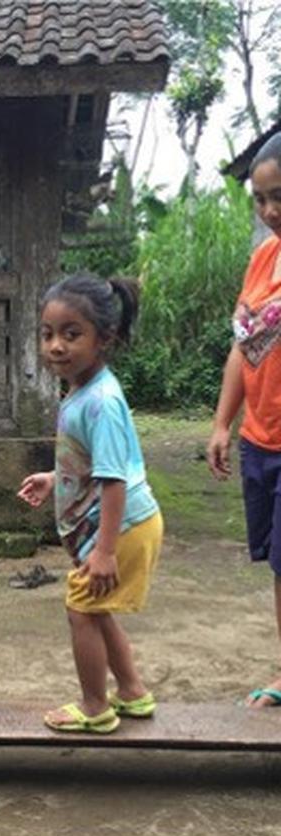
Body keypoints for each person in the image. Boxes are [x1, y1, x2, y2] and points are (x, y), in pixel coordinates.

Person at [17, 273, 163, 733]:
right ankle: (133, 693)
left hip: (121, 528)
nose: (55, 346)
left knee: (81, 610)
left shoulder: (101, 401)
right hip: (120, 525)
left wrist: (103, 551)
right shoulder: (83, 390)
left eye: (71, 334)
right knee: (96, 609)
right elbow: (91, 463)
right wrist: (53, 478)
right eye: (47, 334)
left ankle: (95, 706)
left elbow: (114, 479)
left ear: (105, 339)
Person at [208, 131, 281, 709]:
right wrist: (221, 422)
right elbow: (244, 345)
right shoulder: (263, 258)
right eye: (260, 198)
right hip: (262, 437)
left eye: (278, 195)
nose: (270, 209)